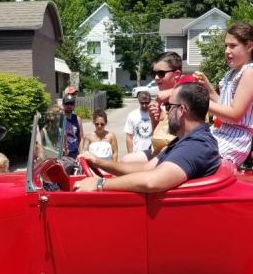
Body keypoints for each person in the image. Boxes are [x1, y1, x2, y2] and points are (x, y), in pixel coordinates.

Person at [73, 81, 220, 193]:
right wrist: (99, 162)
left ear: (182, 110)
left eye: (169, 107)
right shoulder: (183, 141)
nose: (166, 114)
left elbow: (152, 181)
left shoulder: (196, 145)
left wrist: (100, 184)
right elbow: (146, 168)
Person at [193, 23, 253, 166]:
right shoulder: (232, 73)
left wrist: (197, 102)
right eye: (225, 46)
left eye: (232, 46)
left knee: (188, 158)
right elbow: (224, 105)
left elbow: (234, 113)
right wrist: (208, 87)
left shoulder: (250, 72)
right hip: (220, 132)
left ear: (249, 46)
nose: (227, 51)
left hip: (234, 140)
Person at [148, 51, 184, 155]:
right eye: (154, 73)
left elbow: (193, 80)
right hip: (160, 151)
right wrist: (154, 118)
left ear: (176, 74)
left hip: (178, 153)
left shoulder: (188, 94)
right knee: (127, 160)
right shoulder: (162, 101)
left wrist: (171, 92)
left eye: (161, 73)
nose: (156, 78)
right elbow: (157, 135)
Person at [124, 90, 154, 158]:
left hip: (153, 152)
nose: (144, 105)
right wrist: (130, 155)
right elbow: (129, 136)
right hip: (137, 153)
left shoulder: (155, 113)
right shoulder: (132, 115)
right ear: (139, 101)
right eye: (142, 103)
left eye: (147, 103)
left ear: (150, 101)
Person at [60, 92, 81, 161]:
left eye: (71, 104)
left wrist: (81, 152)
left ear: (74, 105)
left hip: (75, 154)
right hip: (63, 155)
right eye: (67, 104)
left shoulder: (77, 119)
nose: (69, 106)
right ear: (63, 105)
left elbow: (81, 137)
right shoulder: (59, 118)